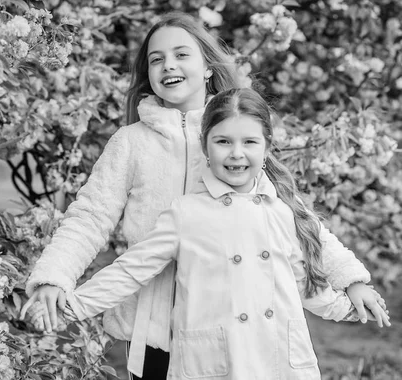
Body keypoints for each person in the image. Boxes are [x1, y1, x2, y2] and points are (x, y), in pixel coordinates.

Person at [20, 11, 386, 380]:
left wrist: (351, 280)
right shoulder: (131, 144)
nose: (169, 65)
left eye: (181, 54)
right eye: (156, 59)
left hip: (238, 327)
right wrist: (55, 277)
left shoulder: (233, 134)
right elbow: (90, 217)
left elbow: (298, 221)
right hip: (153, 331)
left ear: (208, 67)